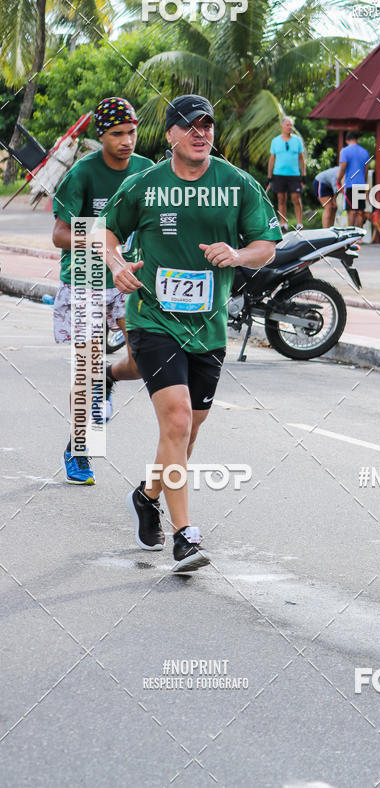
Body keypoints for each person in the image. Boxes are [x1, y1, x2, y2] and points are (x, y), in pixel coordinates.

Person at [101, 94, 282, 573]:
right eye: (190, 126)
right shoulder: (145, 185)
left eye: (208, 125)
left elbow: (267, 244)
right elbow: (106, 233)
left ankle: (147, 494)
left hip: (209, 327)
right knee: (177, 420)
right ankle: (186, 537)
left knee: (188, 433)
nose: (201, 133)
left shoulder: (237, 185)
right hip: (153, 318)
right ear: (171, 135)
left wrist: (239, 256)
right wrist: (117, 265)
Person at [52, 97, 152, 486]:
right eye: (117, 134)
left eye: (131, 132)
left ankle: (108, 378)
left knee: (144, 362)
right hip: (86, 281)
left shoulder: (148, 171)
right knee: (85, 369)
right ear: (101, 136)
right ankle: (79, 450)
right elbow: (59, 233)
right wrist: (103, 244)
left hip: (131, 281)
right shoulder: (82, 174)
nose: (127, 141)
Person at [267, 116, 306, 231]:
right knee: (281, 199)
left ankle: (299, 223)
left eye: (291, 125)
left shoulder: (297, 140)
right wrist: (269, 176)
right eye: (287, 125)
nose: (290, 127)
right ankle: (283, 224)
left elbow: (301, 159)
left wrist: (303, 174)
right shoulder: (275, 141)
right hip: (279, 174)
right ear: (282, 126)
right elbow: (272, 159)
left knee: (296, 198)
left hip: (294, 174)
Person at [338, 131, 370, 227]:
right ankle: (359, 237)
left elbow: (343, 167)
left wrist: (339, 178)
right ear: (357, 140)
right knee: (360, 211)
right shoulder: (365, 152)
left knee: (351, 210)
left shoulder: (345, 151)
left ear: (347, 140)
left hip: (350, 184)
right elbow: (366, 170)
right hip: (361, 184)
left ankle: (351, 235)